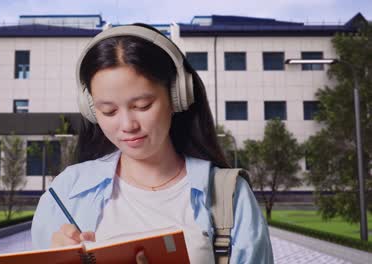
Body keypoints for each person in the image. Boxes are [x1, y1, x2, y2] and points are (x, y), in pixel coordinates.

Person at [31, 23, 274, 263]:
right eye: (108, 111)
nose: (127, 125)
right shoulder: (65, 194)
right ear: (91, 110)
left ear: (178, 96)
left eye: (142, 106)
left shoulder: (229, 195)